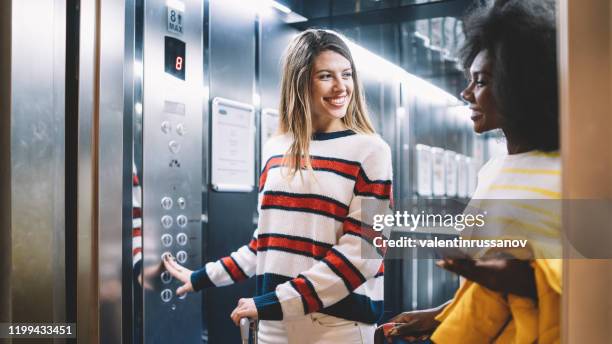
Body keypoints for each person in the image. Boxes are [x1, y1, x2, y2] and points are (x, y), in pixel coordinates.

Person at [164, 29, 393, 344]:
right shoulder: (276, 149)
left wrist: (272, 302)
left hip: (337, 327)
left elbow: (365, 254)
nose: (341, 87)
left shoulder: (372, 151)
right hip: (274, 325)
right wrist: (201, 277)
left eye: (347, 74)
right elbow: (267, 245)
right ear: (300, 84)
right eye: (326, 76)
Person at [377, 0, 561, 343]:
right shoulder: (492, 170)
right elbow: (483, 290)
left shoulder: (564, 172)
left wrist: (502, 272)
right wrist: (438, 315)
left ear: (517, 85)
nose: (466, 93)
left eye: (481, 81)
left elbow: (575, 281)